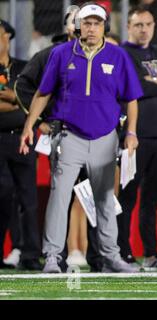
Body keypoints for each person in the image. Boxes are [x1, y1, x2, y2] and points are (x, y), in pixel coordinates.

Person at [19, 3, 142, 273]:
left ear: (104, 27)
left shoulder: (118, 56)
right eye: (86, 23)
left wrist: (131, 131)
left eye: (97, 23)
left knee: (105, 200)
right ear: (77, 26)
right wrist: (30, 126)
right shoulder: (61, 54)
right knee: (59, 198)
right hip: (68, 137)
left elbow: (131, 99)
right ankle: (52, 256)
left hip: (105, 138)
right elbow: (42, 93)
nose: (91, 28)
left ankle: (111, 255)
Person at [118, 6, 157, 270]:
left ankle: (151, 253)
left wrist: (155, 80)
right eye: (138, 24)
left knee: (152, 200)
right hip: (133, 136)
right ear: (129, 26)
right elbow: (131, 87)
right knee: (127, 197)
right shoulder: (122, 53)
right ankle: (122, 251)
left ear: (154, 26)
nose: (143, 29)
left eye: (148, 24)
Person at [0, 19, 42, 271]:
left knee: (28, 198)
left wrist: (13, 96)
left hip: (23, 137)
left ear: (8, 36)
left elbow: (33, 99)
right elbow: (22, 102)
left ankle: (29, 253)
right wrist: (16, 100)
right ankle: (10, 249)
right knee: (3, 193)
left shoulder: (24, 68)